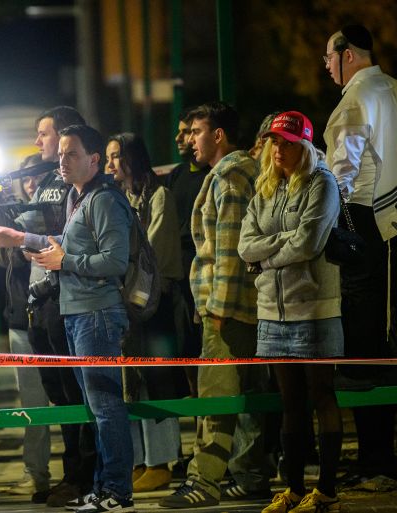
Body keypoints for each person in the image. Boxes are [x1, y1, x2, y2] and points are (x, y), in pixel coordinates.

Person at [0, 124, 135, 513]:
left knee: (106, 409)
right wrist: (19, 238)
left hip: (97, 315)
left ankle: (117, 491)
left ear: (94, 159)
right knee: (95, 409)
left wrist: (66, 261)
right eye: (61, 154)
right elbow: (59, 247)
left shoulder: (104, 200)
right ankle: (103, 488)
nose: (61, 161)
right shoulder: (77, 197)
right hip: (76, 313)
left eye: (71, 154)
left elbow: (116, 261)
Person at [322, 24, 397, 485]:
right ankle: (379, 456)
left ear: (347, 54)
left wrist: (327, 217)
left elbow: (342, 172)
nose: (326, 65)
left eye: (328, 56)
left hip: (367, 224)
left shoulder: (356, 97)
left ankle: (375, 459)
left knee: (363, 345)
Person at [0, 106, 97, 507]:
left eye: (44, 134)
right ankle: (74, 475)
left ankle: (84, 477)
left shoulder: (84, 184)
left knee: (78, 394)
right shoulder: (50, 181)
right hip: (42, 301)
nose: (38, 142)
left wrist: (20, 234)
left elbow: (61, 237)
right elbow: (27, 231)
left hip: (72, 301)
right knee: (60, 395)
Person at [160, 102, 268, 508]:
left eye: (197, 132)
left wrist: (217, 308)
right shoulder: (235, 173)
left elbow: (228, 249)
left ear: (218, 134)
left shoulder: (229, 176)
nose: (190, 141)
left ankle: (205, 482)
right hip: (241, 305)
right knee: (248, 395)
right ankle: (251, 475)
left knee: (215, 397)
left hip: (229, 307)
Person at [239, 112, 343, 512]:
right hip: (272, 313)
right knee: (290, 404)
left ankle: (328, 492)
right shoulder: (265, 188)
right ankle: (296, 490)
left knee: (322, 395)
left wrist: (266, 259)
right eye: (273, 142)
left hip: (315, 308)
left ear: (304, 145)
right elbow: (245, 245)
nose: (278, 149)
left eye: (286, 142)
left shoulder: (323, 182)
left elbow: (310, 243)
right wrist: (281, 241)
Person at [105, 132, 183, 492]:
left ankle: (163, 461)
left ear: (134, 157)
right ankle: (140, 461)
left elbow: (157, 255)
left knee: (157, 381)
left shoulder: (159, 196)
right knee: (129, 384)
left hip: (154, 304)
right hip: (123, 305)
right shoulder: (116, 198)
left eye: (117, 155)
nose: (109, 163)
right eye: (108, 156)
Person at [0, 153, 53, 498]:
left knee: (64, 397)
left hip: (53, 318)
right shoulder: (14, 221)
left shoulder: (54, 217)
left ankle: (79, 469)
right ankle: (37, 473)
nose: (31, 185)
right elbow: (2, 257)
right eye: (27, 179)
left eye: (38, 179)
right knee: (32, 403)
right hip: (20, 319)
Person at [161, 110, 209, 395]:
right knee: (185, 346)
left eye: (189, 131)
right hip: (178, 273)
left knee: (205, 343)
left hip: (201, 267)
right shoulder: (177, 175)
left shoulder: (211, 174)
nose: (181, 138)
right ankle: (197, 412)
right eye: (180, 131)